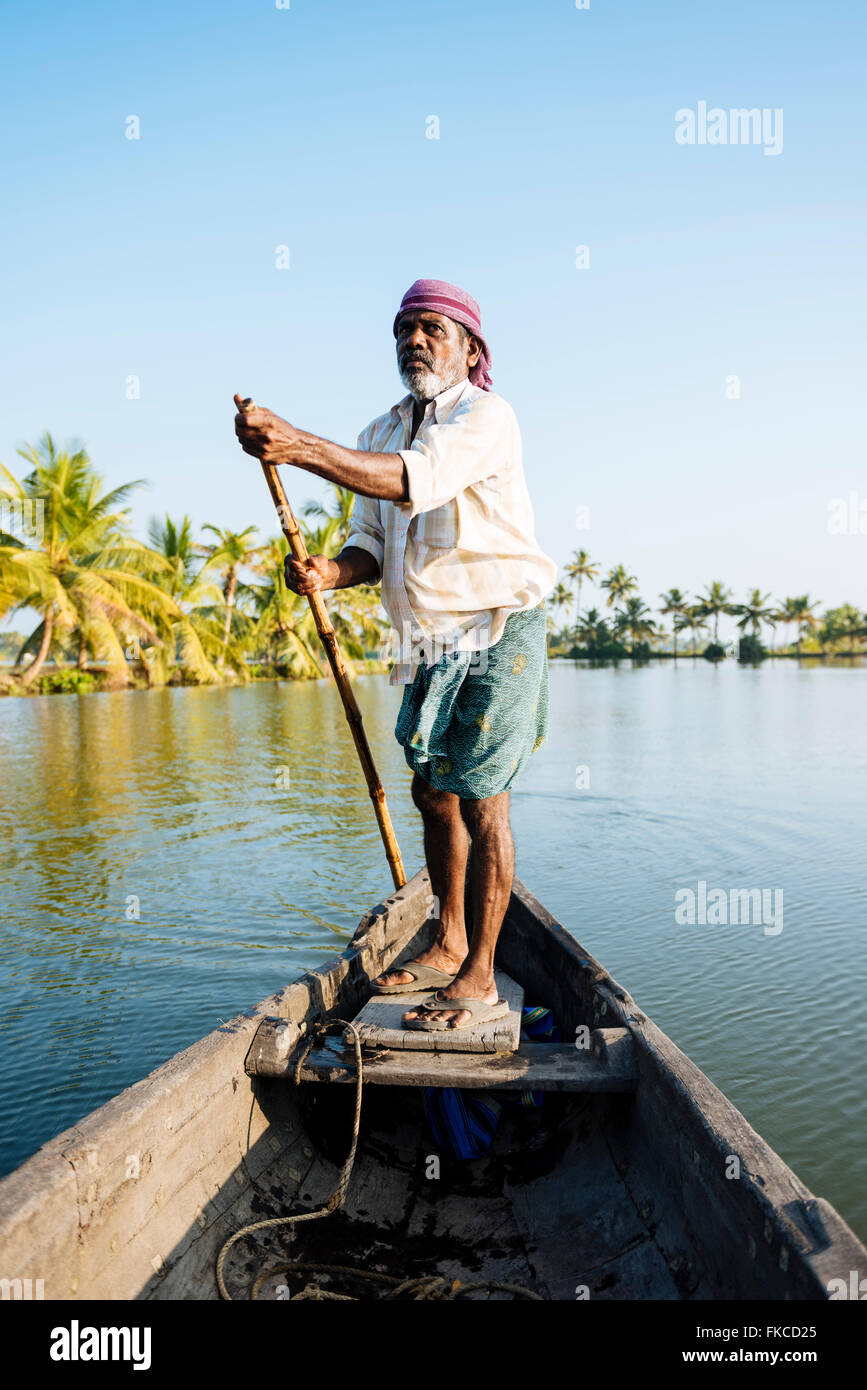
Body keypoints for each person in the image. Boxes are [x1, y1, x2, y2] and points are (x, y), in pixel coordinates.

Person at [234, 278, 556, 1029]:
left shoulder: (486, 416)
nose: (414, 340)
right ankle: (448, 939)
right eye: (404, 329)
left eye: (431, 329)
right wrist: (328, 573)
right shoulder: (379, 431)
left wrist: (298, 445)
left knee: (481, 799)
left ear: (470, 350)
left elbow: (419, 480)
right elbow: (371, 544)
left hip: (495, 628)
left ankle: (478, 973)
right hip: (425, 643)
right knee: (430, 792)